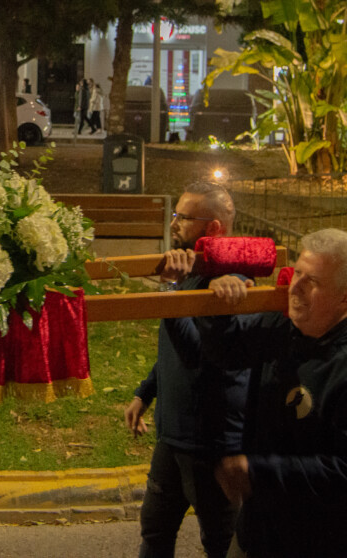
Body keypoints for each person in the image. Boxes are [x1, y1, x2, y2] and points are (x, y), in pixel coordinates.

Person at [197, 229, 347, 558]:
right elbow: (226, 351)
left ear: (346, 297)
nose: (296, 286)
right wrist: (218, 306)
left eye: (314, 281)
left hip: (324, 545)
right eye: (299, 273)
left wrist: (262, 472)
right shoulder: (284, 327)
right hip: (259, 535)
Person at [124, 181, 244, 558]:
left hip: (209, 443)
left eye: (184, 217)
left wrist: (169, 294)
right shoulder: (190, 268)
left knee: (220, 543)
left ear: (213, 229)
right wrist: (145, 393)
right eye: (175, 214)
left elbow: (200, 356)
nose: (174, 223)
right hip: (172, 437)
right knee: (155, 534)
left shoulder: (231, 285)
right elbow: (172, 353)